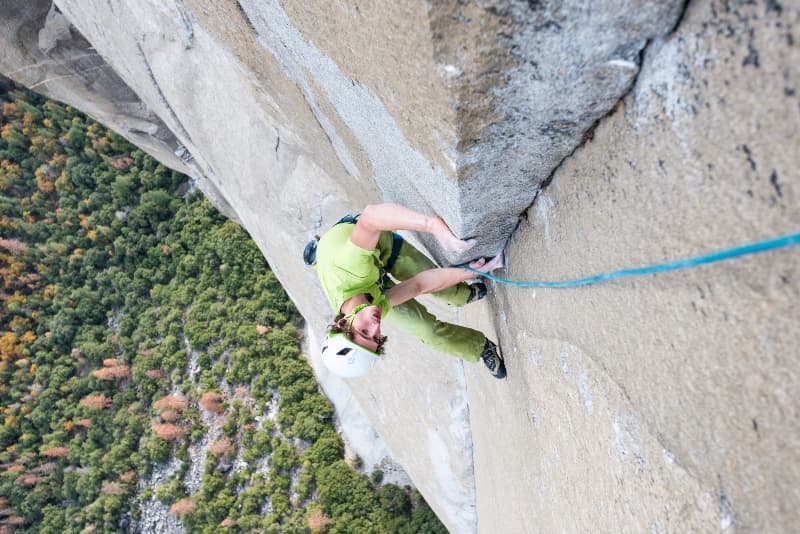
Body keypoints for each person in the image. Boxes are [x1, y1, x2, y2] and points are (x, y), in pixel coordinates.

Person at [309, 203, 506, 379]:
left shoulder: (350, 268)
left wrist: (432, 225)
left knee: (428, 276)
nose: (376, 327)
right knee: (426, 331)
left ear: (343, 322)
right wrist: (467, 272)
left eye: (364, 332)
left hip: (377, 250)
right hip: (369, 286)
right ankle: (479, 347)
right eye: (376, 338)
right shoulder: (367, 312)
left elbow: (371, 217)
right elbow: (417, 286)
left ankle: (462, 294)